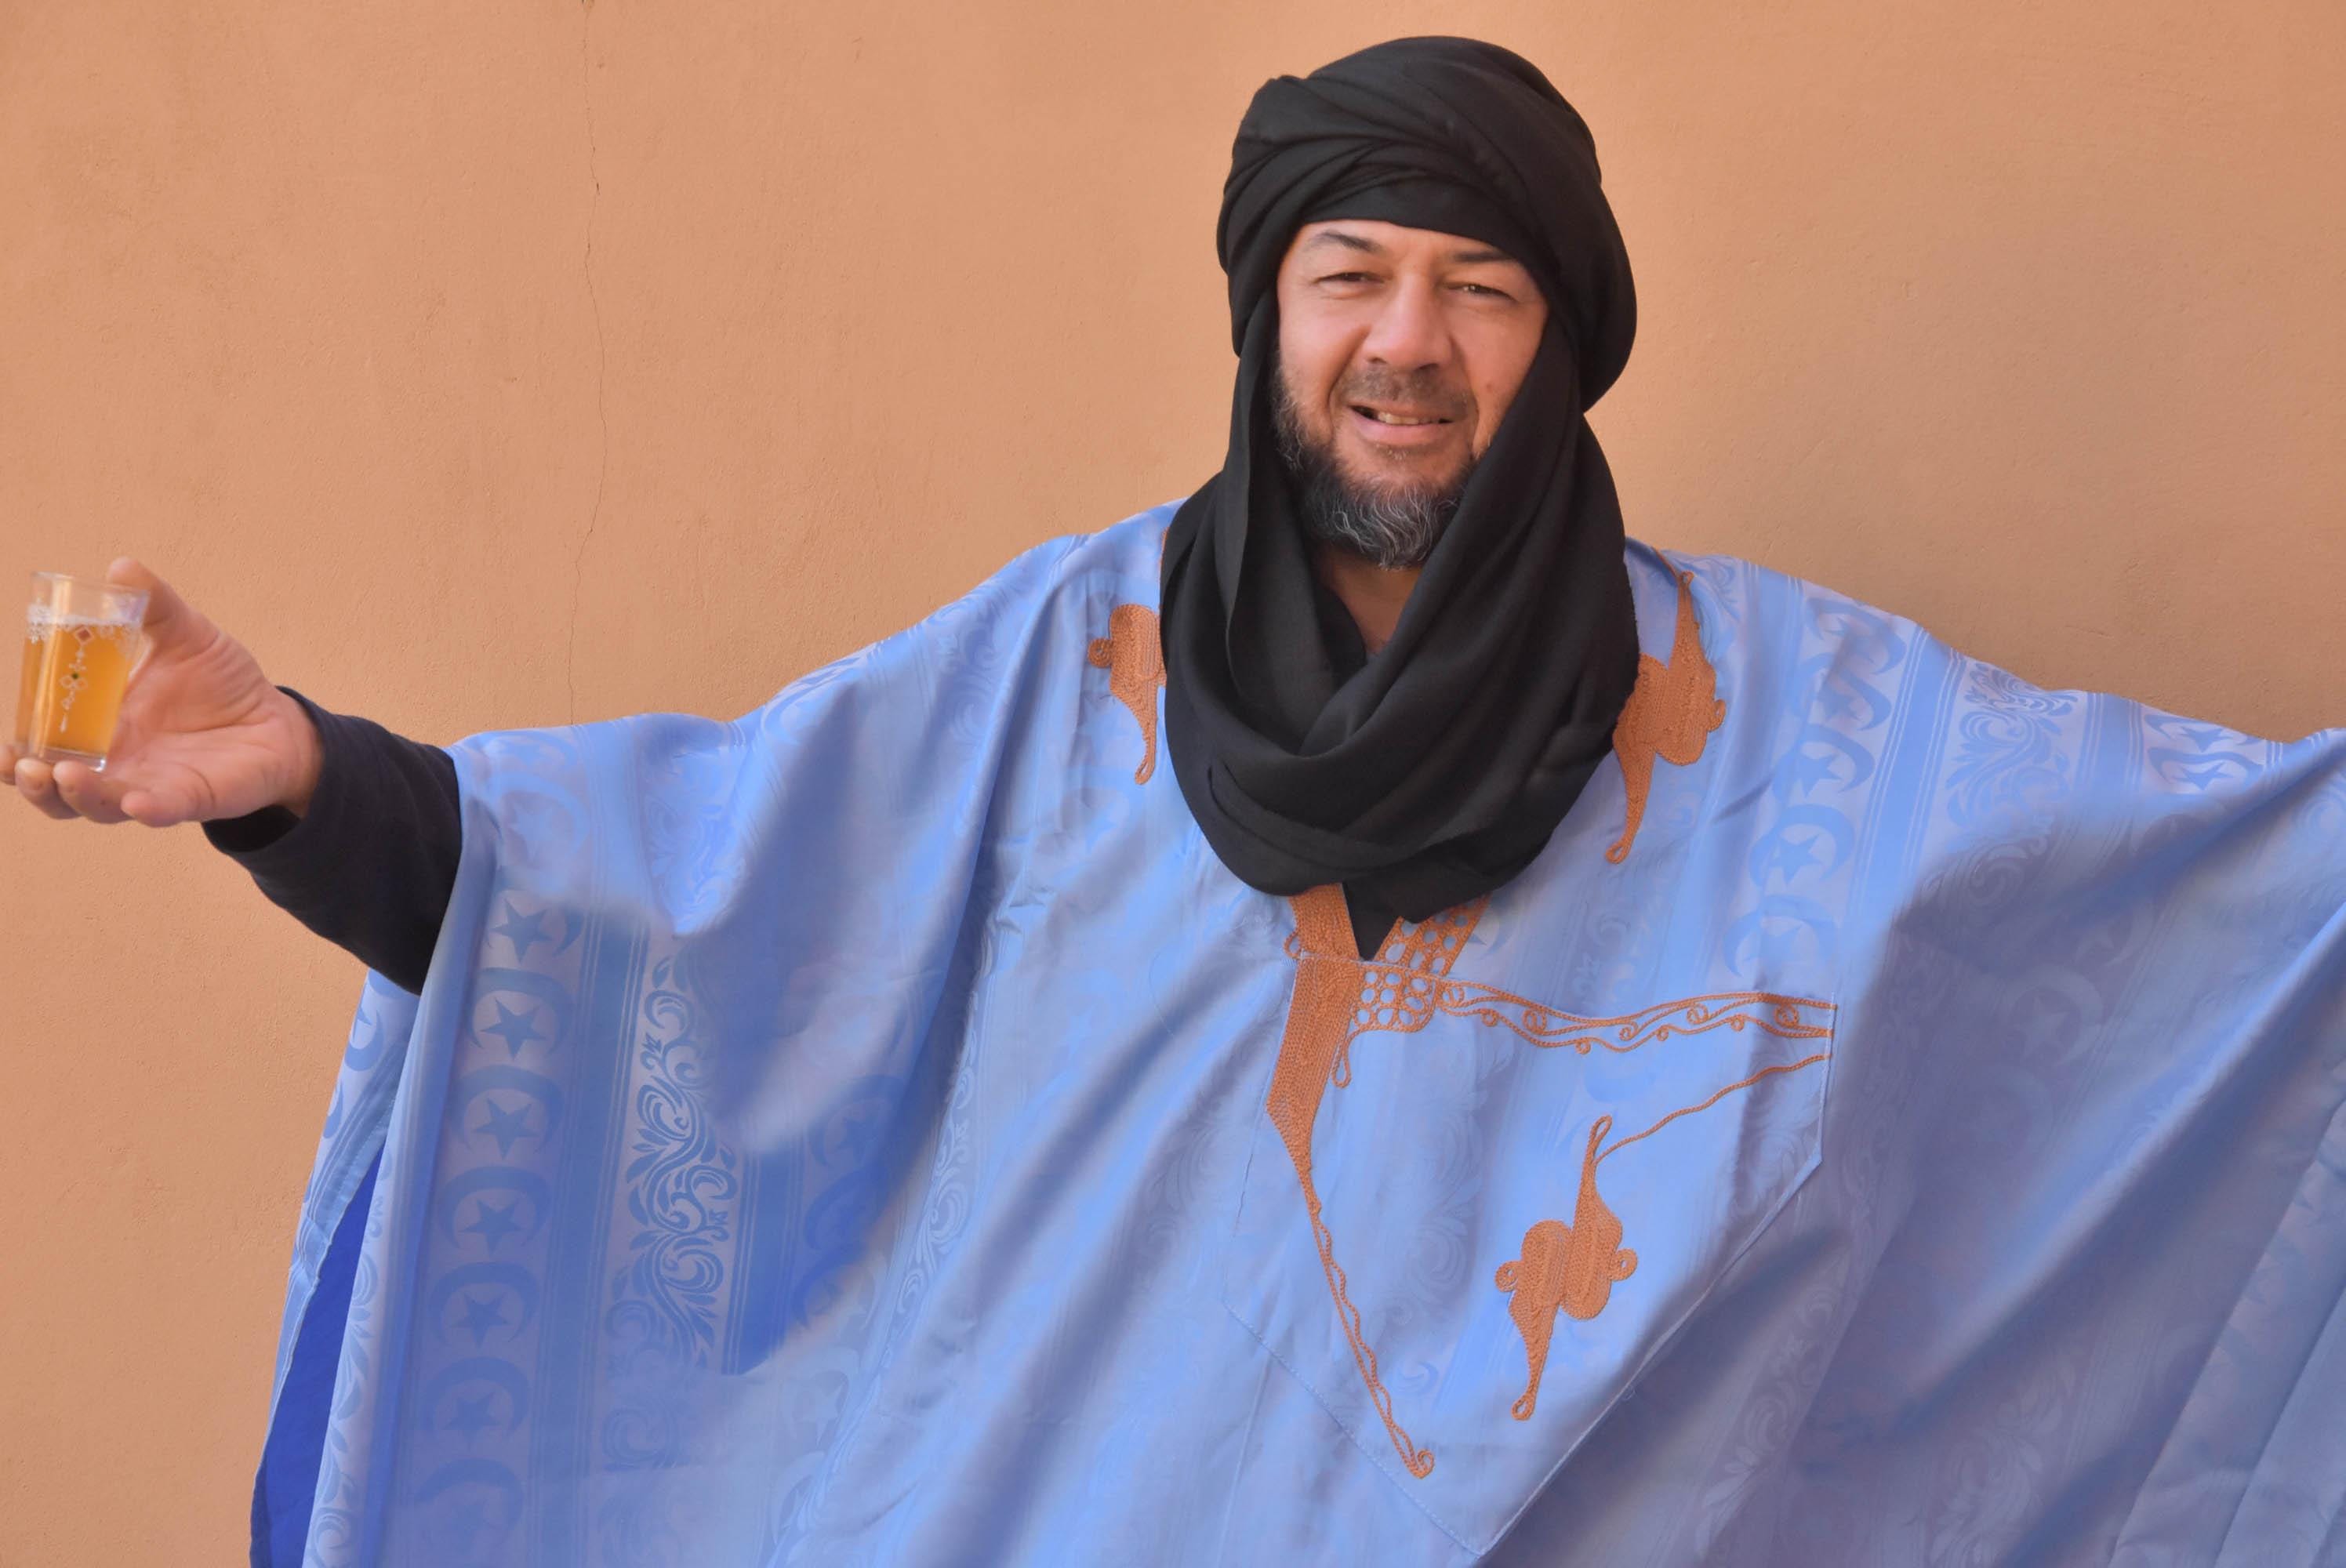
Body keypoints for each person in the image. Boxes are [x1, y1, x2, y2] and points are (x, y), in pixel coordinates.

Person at [14, 35, 2345, 1568]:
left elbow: (2181, 886)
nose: (1406, 342)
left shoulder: (1783, 727)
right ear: (1270, 315)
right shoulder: (1063, 670)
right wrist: (310, 784)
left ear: (1559, 345)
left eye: (1480, 287)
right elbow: (702, 896)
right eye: (1351, 274)